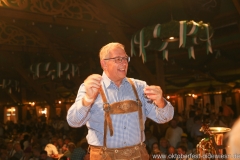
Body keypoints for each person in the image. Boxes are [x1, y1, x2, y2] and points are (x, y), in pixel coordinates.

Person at [66, 42, 174, 160]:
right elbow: (73, 122)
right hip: (104, 156)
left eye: (125, 59)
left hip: (138, 155)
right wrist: (87, 100)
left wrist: (161, 102)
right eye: (118, 59)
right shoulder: (91, 87)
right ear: (104, 63)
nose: (124, 63)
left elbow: (164, 118)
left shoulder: (139, 87)